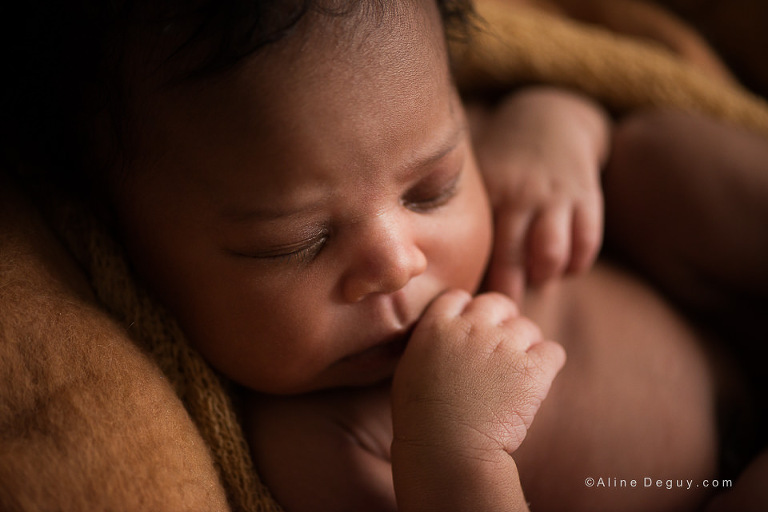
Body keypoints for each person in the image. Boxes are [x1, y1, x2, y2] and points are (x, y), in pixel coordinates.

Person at [5, 0, 767, 510]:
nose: (398, 261)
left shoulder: (460, 152)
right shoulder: (317, 441)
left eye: (431, 191)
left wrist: (555, 129)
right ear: (136, 261)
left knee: (654, 158)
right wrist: (453, 453)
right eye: (296, 242)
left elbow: (546, 103)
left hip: (731, 311)